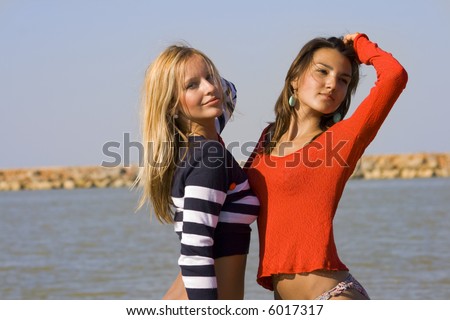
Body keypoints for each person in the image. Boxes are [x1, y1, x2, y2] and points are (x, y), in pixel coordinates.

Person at [244, 33, 408, 300]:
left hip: (334, 296)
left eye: (343, 80)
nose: (332, 84)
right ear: (295, 78)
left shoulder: (341, 140)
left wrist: (359, 44)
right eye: (322, 72)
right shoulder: (268, 137)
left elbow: (394, 75)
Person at [135, 45, 260, 300]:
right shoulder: (210, 156)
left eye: (210, 76)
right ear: (171, 105)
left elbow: (230, 90)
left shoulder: (194, 145)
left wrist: (192, 69)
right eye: (192, 85)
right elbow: (195, 250)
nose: (210, 88)